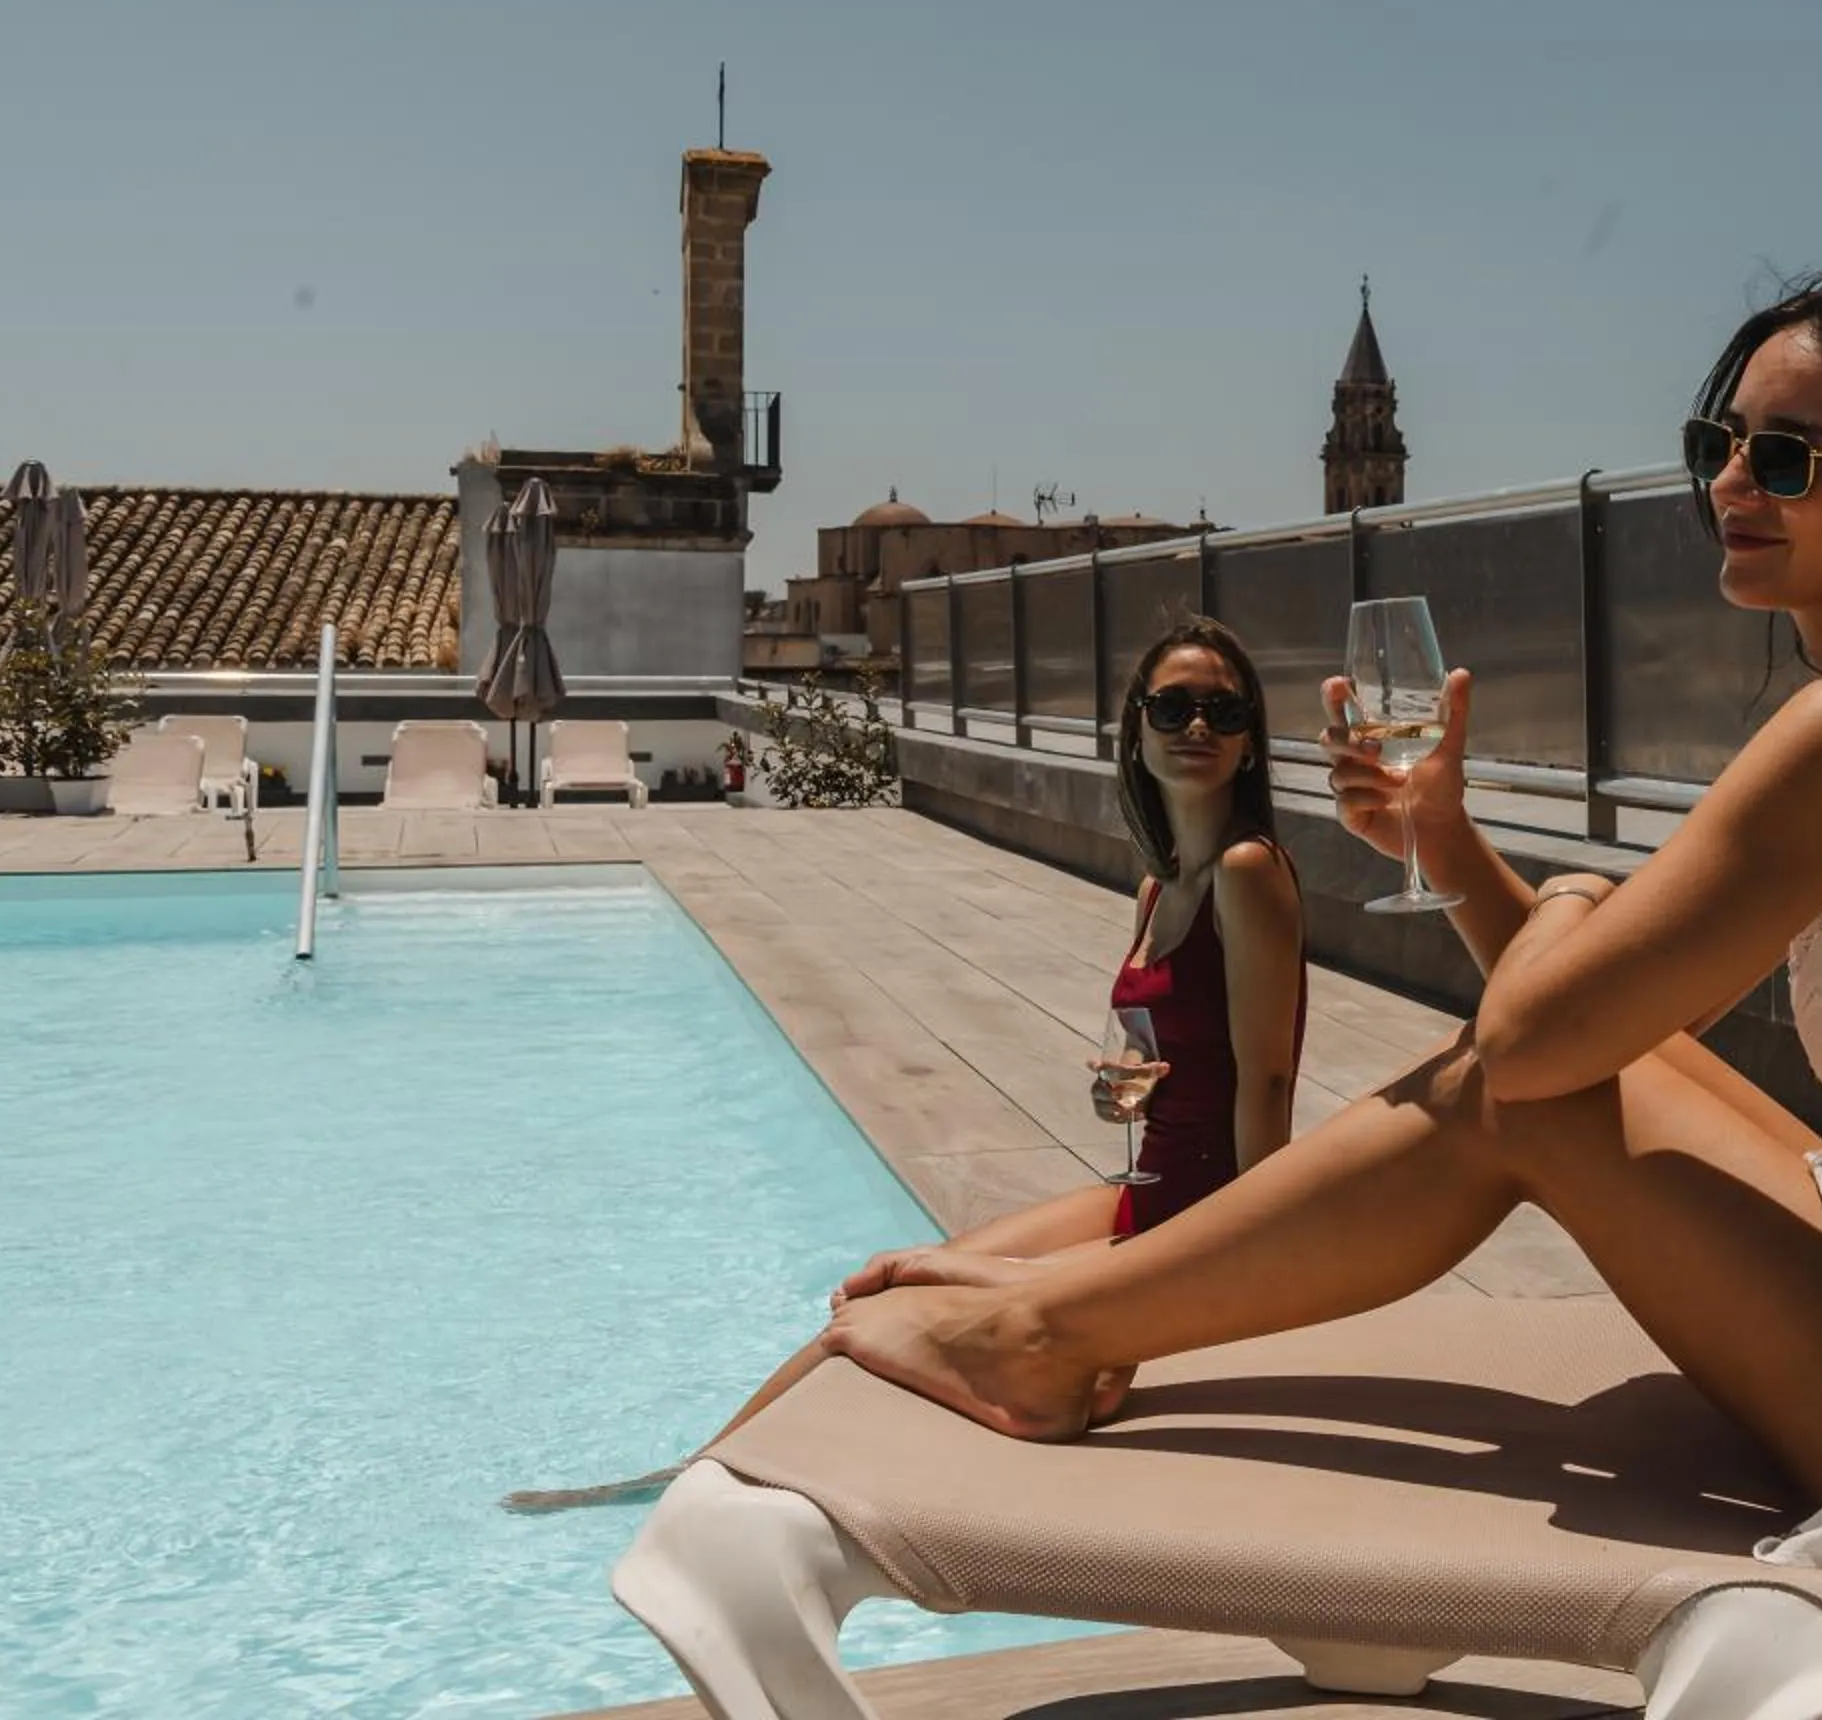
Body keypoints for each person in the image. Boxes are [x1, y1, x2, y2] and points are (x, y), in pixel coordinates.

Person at [808, 271, 1822, 1580]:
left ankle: (1044, 1331)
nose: (1732, 483)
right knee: (1578, 1062)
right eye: (1720, 443)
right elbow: (1606, 1028)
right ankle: (1081, 1300)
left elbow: (1536, 1048)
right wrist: (1452, 844)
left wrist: (1578, 900)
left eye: (1790, 458)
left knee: (1515, 1086)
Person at [502, 616, 1306, 1511]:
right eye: (1172, 706)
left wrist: (1246, 1267)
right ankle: (706, 1465)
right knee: (892, 1275)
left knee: (883, 1316)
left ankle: (697, 1480)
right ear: (1136, 728)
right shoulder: (1162, 882)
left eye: (1223, 710)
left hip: (1201, 1215)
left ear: (1250, 741)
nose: (1196, 726)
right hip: (1147, 1187)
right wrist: (1121, 1085)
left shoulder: (1246, 871)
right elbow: (1171, 1045)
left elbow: (1269, 1082)